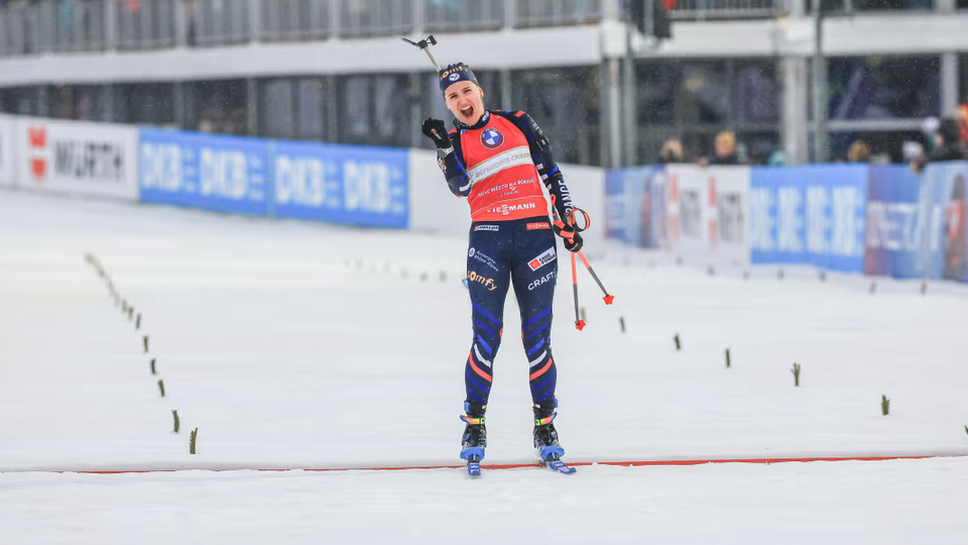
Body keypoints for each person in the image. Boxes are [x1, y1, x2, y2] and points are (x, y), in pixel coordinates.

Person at [421, 62, 581, 472]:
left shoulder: (519, 122)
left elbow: (551, 170)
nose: (461, 102)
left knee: (537, 340)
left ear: (479, 92)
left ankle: (545, 426)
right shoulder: (453, 140)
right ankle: (474, 425)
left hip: (535, 239)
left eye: (466, 92)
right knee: (485, 339)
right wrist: (443, 147)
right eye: (452, 98)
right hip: (489, 242)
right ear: (448, 105)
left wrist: (564, 215)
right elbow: (460, 187)